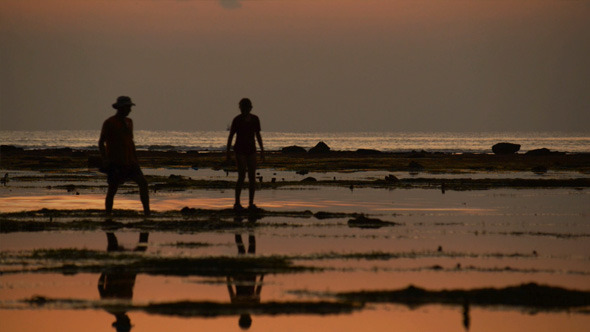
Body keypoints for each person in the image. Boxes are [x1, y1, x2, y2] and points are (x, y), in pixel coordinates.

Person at [99, 96, 150, 217]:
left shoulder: (129, 122)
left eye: (130, 107)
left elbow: (130, 142)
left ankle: (147, 212)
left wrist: (136, 159)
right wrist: (105, 159)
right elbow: (101, 142)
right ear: (121, 108)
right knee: (112, 190)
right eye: (128, 107)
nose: (129, 110)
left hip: (131, 161)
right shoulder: (109, 122)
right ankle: (108, 214)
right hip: (115, 162)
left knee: (143, 183)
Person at [226, 98, 264, 212]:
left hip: (251, 150)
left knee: (252, 177)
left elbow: (258, 135)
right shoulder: (237, 120)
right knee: (241, 176)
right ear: (240, 108)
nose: (244, 110)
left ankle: (251, 203)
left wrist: (262, 150)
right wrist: (228, 152)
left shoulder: (255, 119)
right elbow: (231, 136)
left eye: (246, 107)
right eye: (243, 107)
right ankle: (237, 203)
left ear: (250, 108)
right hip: (240, 150)